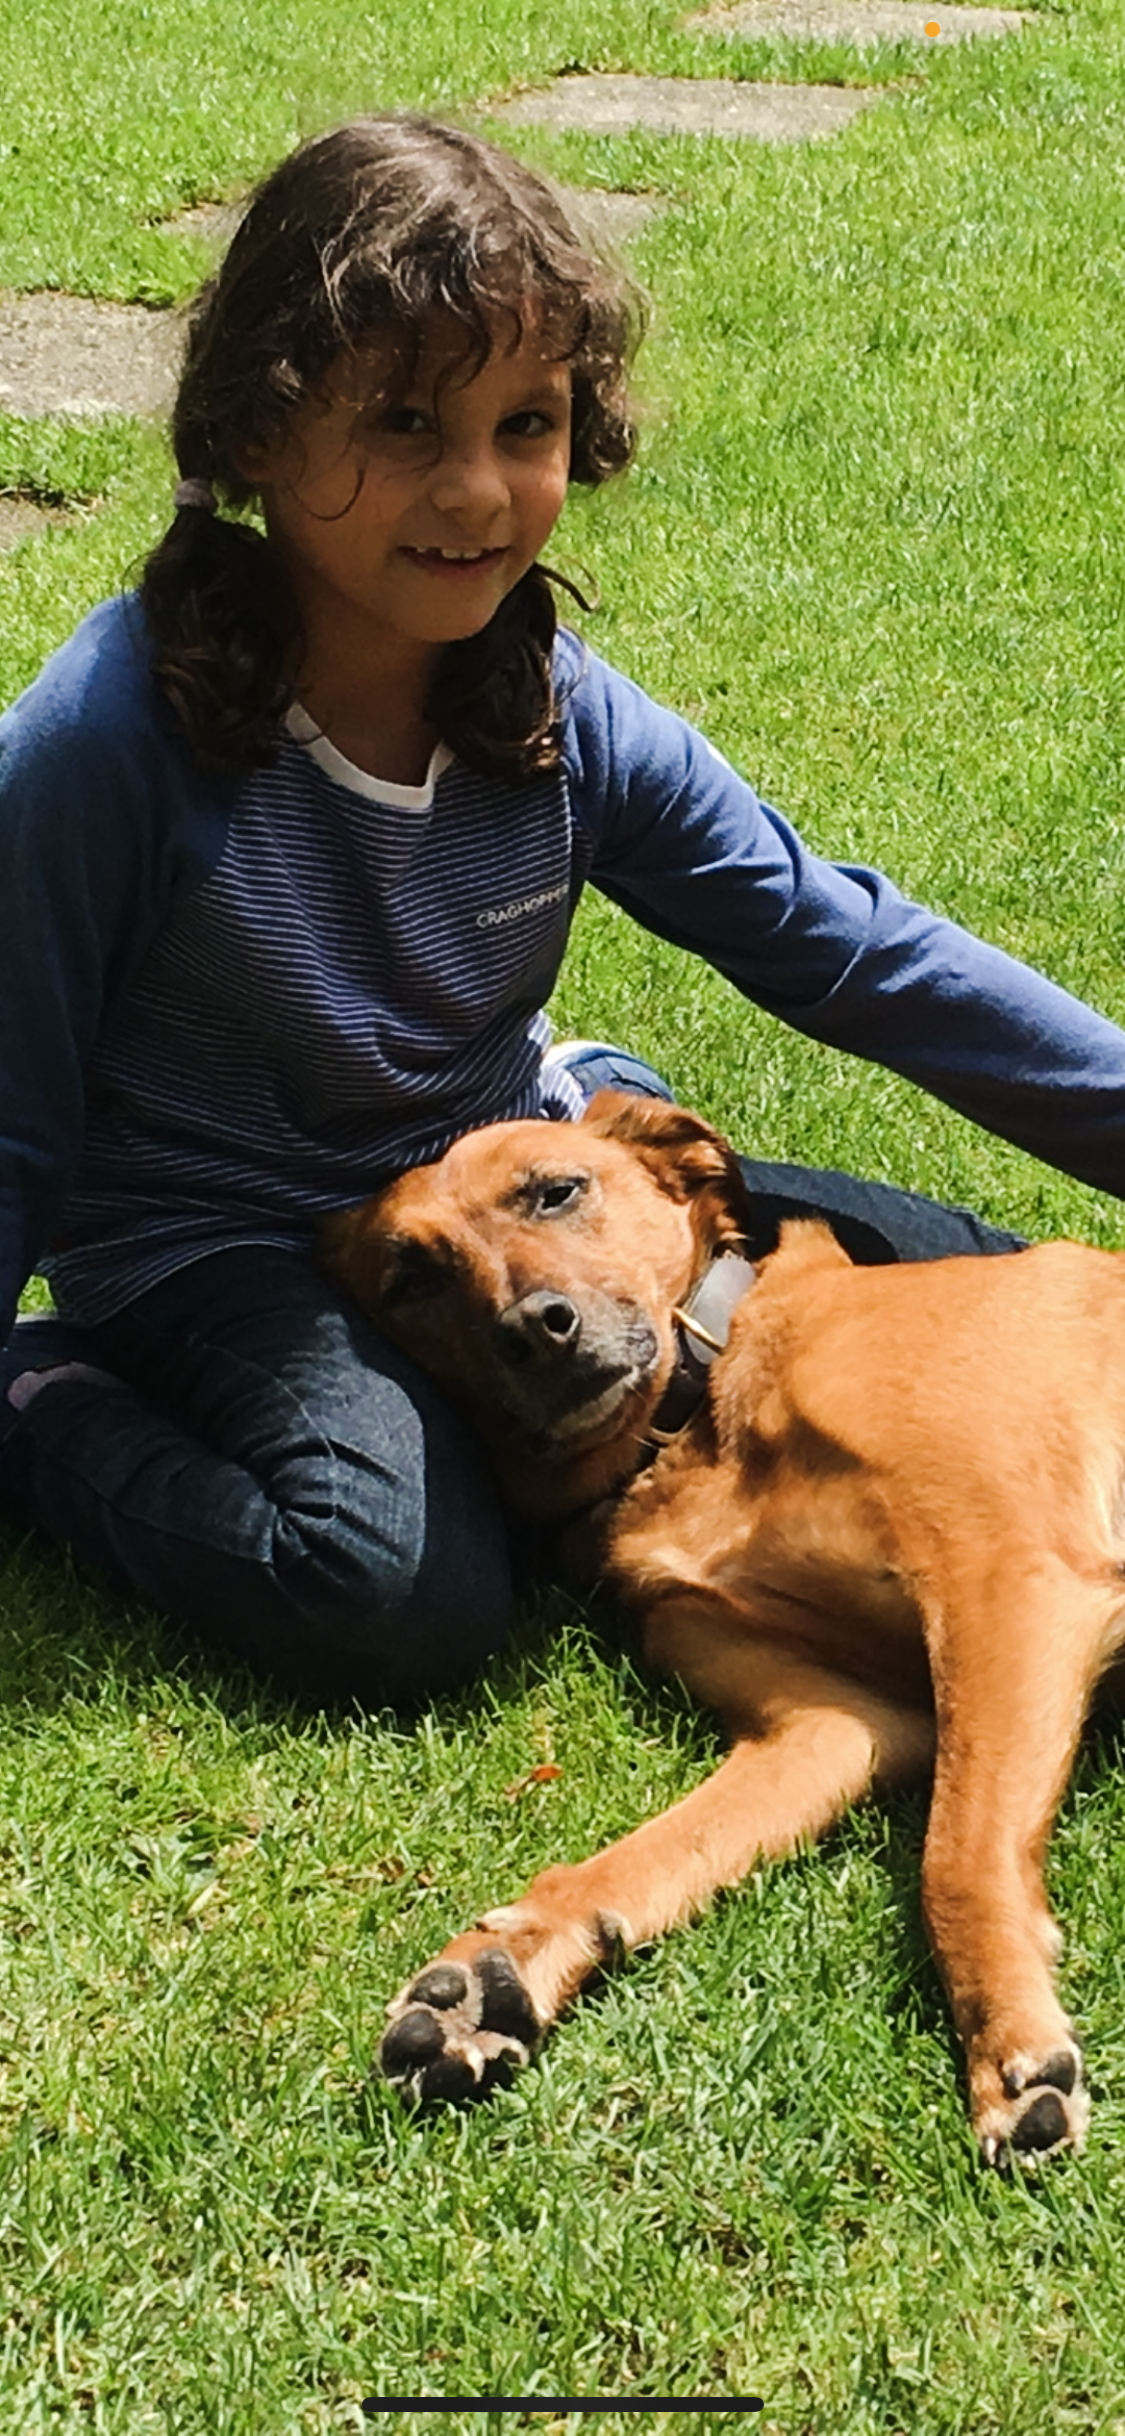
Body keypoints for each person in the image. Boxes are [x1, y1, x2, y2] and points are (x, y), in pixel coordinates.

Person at [1, 114, 1124, 1709]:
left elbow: (848, 949)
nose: (476, 489)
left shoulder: (557, 714)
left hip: (511, 1182)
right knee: (391, 1583)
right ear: (256, 428)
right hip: (225, 1240)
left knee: (996, 1289)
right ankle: (40, 1395)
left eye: (523, 423)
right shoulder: (108, 739)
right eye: (404, 421)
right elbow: (14, 1115)